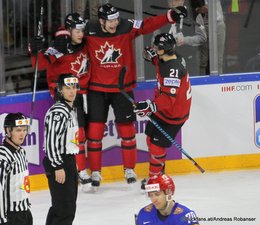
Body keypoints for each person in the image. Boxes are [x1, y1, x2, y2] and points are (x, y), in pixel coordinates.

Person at [84, 3, 188, 188]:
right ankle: (96, 172)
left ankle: (129, 169)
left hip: (122, 87)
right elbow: (72, 36)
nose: (115, 23)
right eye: (110, 20)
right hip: (97, 88)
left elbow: (148, 24)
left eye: (116, 19)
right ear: (101, 20)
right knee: (94, 133)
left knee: (127, 130)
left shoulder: (125, 26)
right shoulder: (89, 29)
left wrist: (170, 15)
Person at [29, 13, 91, 187]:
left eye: (82, 30)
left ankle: (80, 169)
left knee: (85, 133)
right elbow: (38, 65)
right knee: (75, 133)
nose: (81, 33)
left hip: (83, 93)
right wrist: (34, 49)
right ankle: (80, 170)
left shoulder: (84, 43)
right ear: (69, 30)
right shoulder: (59, 47)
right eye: (77, 30)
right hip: (65, 95)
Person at [134, 33, 191, 188]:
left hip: (173, 113)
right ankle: (159, 173)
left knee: (157, 146)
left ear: (164, 49)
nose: (154, 48)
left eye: (157, 47)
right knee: (150, 139)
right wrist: (153, 57)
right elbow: (161, 64)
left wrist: (149, 106)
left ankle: (155, 180)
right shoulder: (168, 58)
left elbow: (168, 99)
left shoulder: (174, 68)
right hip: (163, 109)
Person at [43, 74, 79, 225]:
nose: (72, 91)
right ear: (60, 90)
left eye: (74, 87)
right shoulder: (59, 111)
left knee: (63, 207)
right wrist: (58, 165)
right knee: (64, 209)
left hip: (67, 160)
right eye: (67, 88)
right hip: (59, 161)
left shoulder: (69, 109)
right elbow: (52, 141)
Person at [0, 113, 33, 225]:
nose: (22, 134)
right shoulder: (3, 156)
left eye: (24, 130)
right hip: (11, 217)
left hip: (25, 213)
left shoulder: (21, 152)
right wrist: (2, 219)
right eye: (18, 130)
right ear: (9, 131)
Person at [166, 0, 207, 76]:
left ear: (182, 1)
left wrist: (185, 40)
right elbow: (155, 37)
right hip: (166, 61)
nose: (172, 3)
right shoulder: (164, 15)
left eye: (175, 0)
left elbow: (202, 37)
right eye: (170, 1)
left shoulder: (193, 14)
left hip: (188, 60)